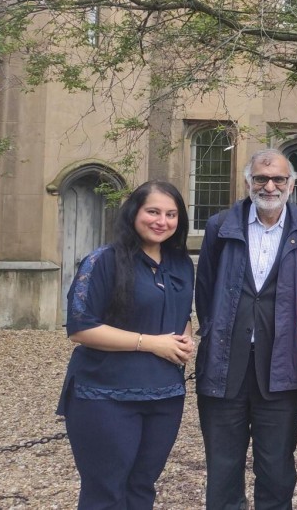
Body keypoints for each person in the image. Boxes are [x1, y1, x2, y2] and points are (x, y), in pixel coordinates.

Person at [195, 149, 297, 510]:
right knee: (223, 468)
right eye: (261, 178)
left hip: (280, 367)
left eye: (278, 179)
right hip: (224, 367)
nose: (269, 186)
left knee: (277, 470)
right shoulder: (220, 227)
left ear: (291, 184)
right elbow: (205, 292)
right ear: (248, 182)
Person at [58, 181, 194, 509]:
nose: (162, 221)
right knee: (106, 493)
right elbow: (80, 328)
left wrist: (186, 338)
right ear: (134, 212)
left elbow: (181, 313)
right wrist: (150, 343)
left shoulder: (180, 263)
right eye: (153, 211)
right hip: (106, 395)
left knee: (142, 488)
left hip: (165, 396)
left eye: (171, 214)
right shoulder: (103, 261)